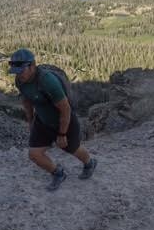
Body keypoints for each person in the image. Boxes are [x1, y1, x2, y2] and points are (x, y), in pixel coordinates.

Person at [8, 48, 97, 191]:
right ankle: (58, 173)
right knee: (34, 154)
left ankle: (89, 162)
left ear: (32, 65)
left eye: (21, 70)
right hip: (42, 121)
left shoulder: (48, 81)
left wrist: (62, 134)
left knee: (72, 148)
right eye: (16, 71)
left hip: (64, 121)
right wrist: (30, 121)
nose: (18, 75)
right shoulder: (20, 80)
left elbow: (66, 109)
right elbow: (27, 100)